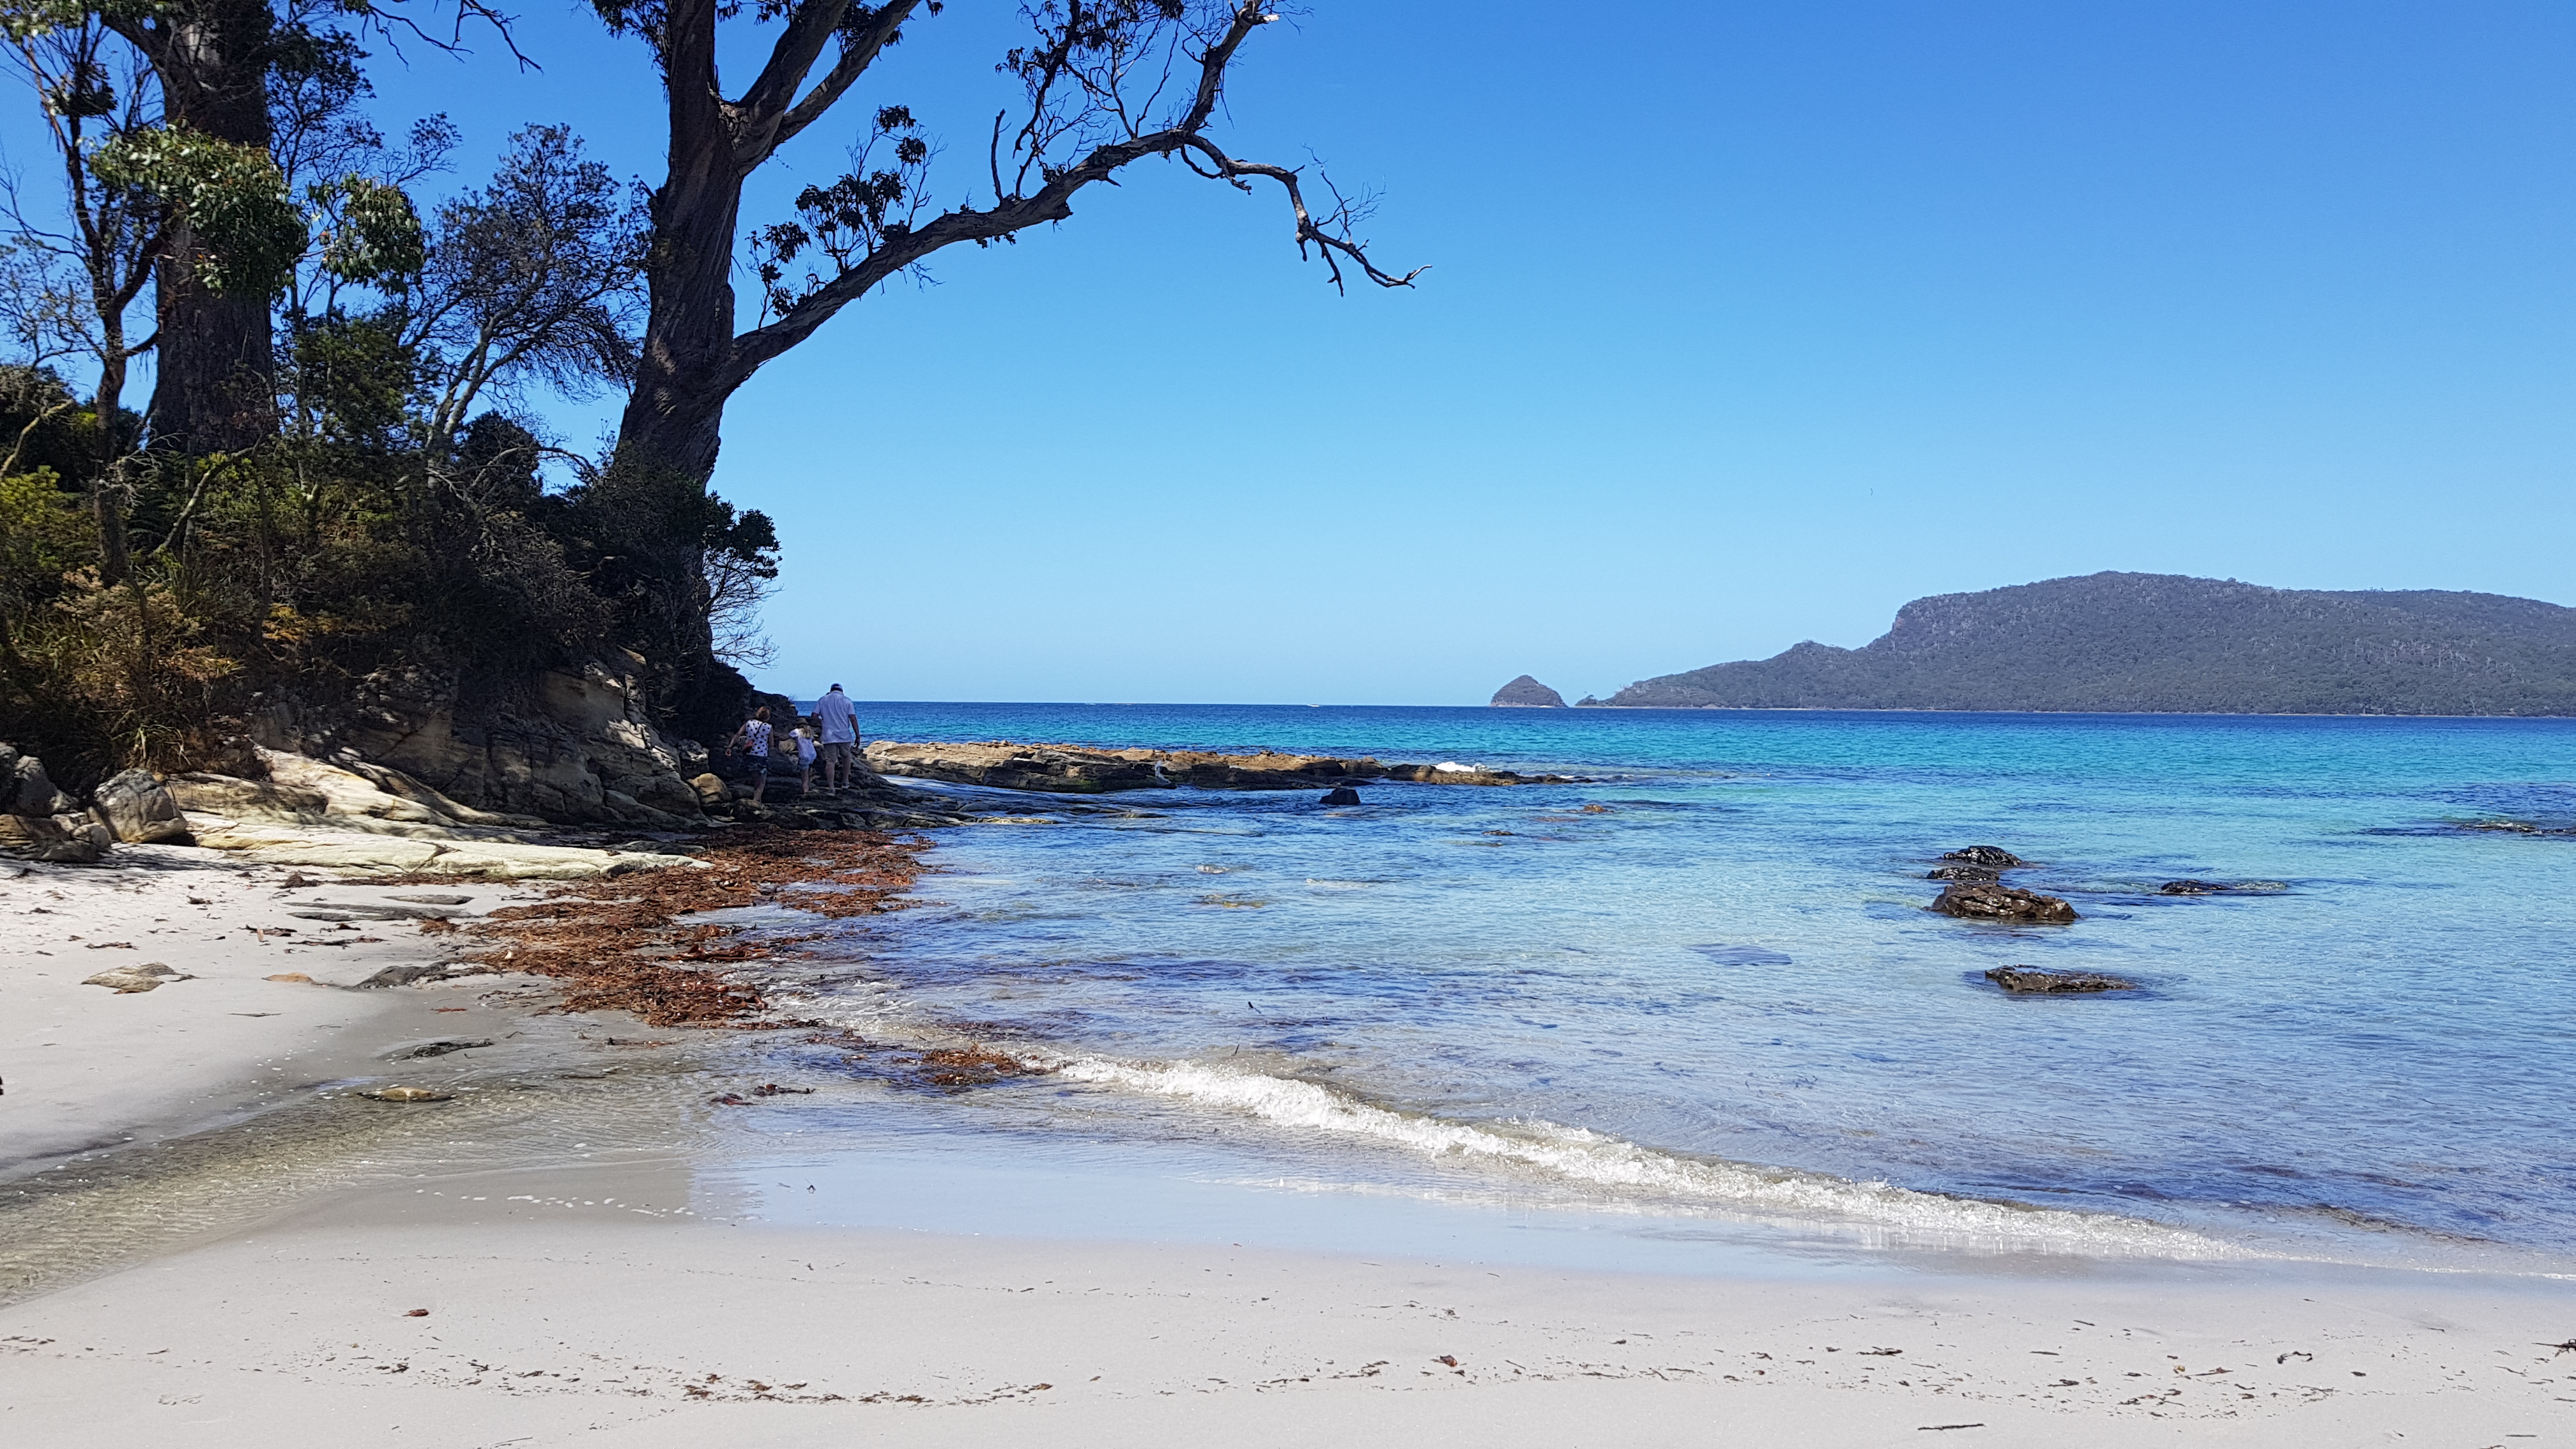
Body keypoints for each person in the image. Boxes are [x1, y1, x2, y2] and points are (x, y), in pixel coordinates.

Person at [812, 682, 861, 793]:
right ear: (842, 691)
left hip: (829, 735)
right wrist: (858, 735)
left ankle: (831, 788)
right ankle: (845, 782)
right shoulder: (847, 701)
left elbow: (814, 715)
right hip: (844, 735)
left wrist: (822, 723)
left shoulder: (823, 700)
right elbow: (853, 719)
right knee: (846, 757)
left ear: (831, 690)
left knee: (831, 761)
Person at [725, 705, 774, 805]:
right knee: (761, 783)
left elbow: (738, 735)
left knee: (755, 780)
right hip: (761, 756)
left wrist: (729, 747)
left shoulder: (749, 723)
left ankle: (759, 804)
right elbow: (772, 744)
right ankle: (754, 804)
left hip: (749, 753)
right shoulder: (768, 727)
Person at [791, 725, 818, 798]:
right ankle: (809, 787)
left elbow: (784, 738)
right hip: (813, 754)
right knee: (808, 773)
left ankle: (806, 792)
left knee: (804, 777)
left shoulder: (796, 732)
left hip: (804, 756)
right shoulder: (810, 732)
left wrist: (775, 735)